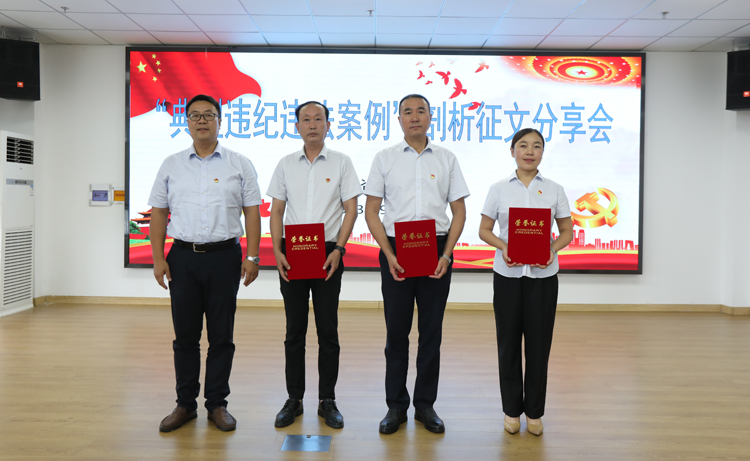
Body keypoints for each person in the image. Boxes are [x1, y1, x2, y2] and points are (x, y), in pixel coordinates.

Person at [149, 94, 262, 433]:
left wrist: (252, 256)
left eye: (209, 115)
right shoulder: (171, 164)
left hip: (225, 258)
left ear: (220, 121)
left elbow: (252, 212)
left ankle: (217, 404)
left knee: (221, 336)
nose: (202, 120)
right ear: (186, 122)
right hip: (182, 258)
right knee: (185, 336)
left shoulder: (239, 163)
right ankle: (185, 404)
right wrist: (158, 258)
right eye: (195, 115)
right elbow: (159, 212)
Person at [364, 94, 469, 434]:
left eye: (420, 111)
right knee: (396, 333)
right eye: (407, 112)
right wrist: (388, 253)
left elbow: (459, 212)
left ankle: (425, 405)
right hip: (397, 249)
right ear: (398, 119)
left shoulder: (447, 158)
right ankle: (396, 406)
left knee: (431, 333)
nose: (414, 117)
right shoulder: (385, 158)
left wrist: (447, 254)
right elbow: (371, 211)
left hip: (436, 250)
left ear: (430, 117)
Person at [267, 101, 361, 429]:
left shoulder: (342, 162)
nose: (312, 124)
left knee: (327, 330)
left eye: (318, 119)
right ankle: (294, 399)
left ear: (328, 124)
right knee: (294, 331)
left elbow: (351, 209)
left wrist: (340, 249)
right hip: (292, 252)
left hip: (327, 253)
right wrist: (276, 250)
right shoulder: (285, 164)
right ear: (297, 126)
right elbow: (276, 211)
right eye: (305, 119)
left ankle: (327, 400)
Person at [478, 128, 574, 436]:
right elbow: (484, 230)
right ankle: (511, 410)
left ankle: (534, 412)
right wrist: (504, 246)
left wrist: (551, 250)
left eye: (536, 146)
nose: (529, 151)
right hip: (507, 276)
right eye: (523, 145)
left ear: (543, 152)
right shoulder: (498, 189)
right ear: (512, 151)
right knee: (508, 344)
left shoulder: (555, 189)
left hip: (543, 278)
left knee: (538, 345)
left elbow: (567, 232)